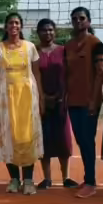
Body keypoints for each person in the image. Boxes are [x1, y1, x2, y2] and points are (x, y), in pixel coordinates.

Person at [0, 13, 44, 194]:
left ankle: (28, 180)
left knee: (27, 137)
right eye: (11, 23)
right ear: (5, 27)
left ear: (21, 26)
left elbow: (37, 74)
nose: (14, 25)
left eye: (17, 23)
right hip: (5, 96)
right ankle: (14, 179)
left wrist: (41, 98)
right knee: (8, 136)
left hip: (28, 97)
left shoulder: (30, 47)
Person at [64, 7, 103, 199]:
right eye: (75, 19)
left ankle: (91, 183)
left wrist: (93, 99)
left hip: (89, 101)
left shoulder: (96, 43)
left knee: (88, 141)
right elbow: (68, 74)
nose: (78, 21)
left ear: (88, 21)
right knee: (81, 140)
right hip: (73, 100)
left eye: (82, 18)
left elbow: (100, 73)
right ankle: (87, 178)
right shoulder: (69, 45)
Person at [35, 19, 75, 189]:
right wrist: (42, 97)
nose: (48, 33)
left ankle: (66, 177)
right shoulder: (33, 51)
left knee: (63, 140)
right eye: (44, 30)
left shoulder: (63, 50)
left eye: (50, 30)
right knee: (43, 139)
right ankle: (47, 178)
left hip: (61, 100)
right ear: (38, 33)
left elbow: (69, 75)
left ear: (55, 32)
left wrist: (62, 95)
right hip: (40, 101)